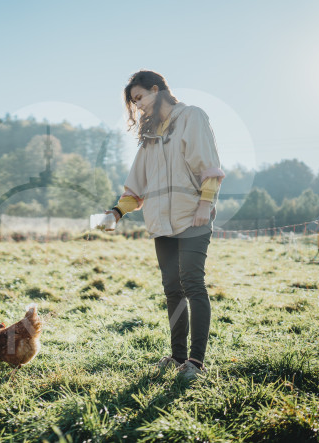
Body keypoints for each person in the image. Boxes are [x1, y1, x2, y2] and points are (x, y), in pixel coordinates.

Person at [106, 70, 224, 380]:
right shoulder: (150, 136)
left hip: (193, 217)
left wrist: (205, 204)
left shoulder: (191, 117)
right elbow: (136, 187)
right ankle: (177, 357)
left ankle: (196, 364)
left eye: (140, 97)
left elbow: (209, 165)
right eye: (133, 102)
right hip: (161, 225)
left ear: (156, 90)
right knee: (172, 289)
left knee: (192, 284)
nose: (138, 106)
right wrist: (115, 214)